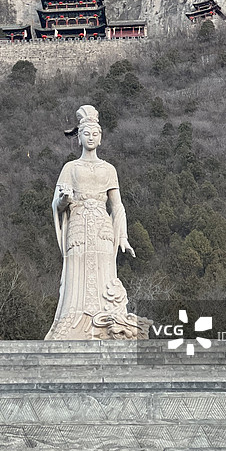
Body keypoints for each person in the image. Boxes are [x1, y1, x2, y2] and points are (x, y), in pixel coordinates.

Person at [45, 105, 151, 340]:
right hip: (79, 226)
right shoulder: (70, 168)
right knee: (77, 277)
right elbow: (57, 204)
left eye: (95, 134)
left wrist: (122, 235)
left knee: (104, 275)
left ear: (100, 138)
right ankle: (73, 325)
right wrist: (63, 200)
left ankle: (106, 321)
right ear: (79, 138)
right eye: (86, 134)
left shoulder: (109, 169)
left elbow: (117, 205)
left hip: (102, 228)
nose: (91, 137)